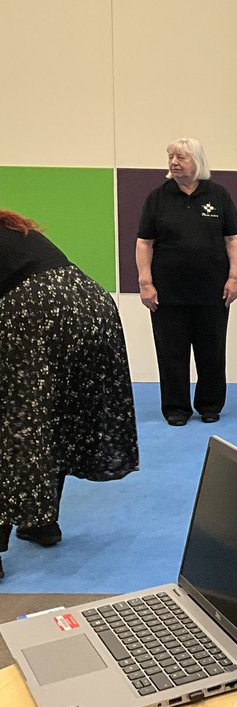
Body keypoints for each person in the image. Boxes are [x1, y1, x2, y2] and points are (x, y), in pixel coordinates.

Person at [0, 210, 139, 582]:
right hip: (90, 302)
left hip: (33, 308)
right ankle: (42, 522)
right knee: (56, 412)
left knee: (15, 423)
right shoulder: (13, 228)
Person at [136, 138, 237, 426]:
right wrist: (145, 282)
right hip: (167, 292)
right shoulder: (157, 197)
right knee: (171, 354)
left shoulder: (219, 195)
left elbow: (233, 239)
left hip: (213, 290)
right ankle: (176, 408)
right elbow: (144, 242)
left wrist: (234, 277)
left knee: (212, 351)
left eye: (181, 157)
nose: (174, 162)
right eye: (171, 156)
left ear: (197, 161)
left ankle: (210, 405)